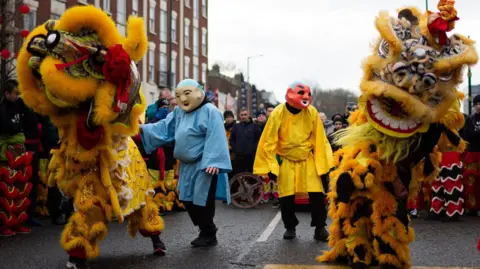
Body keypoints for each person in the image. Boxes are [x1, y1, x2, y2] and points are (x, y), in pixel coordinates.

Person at [17, 6, 166, 268]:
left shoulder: (112, 79)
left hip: (115, 156)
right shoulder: (60, 80)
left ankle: (155, 237)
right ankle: (78, 254)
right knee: (88, 202)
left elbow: (127, 109)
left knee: (140, 200)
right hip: (81, 158)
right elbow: (46, 100)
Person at [141, 79, 232, 247]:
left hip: (204, 165)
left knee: (202, 200)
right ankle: (206, 229)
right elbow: (165, 127)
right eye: (178, 95)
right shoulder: (179, 113)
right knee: (187, 199)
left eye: (187, 94)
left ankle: (208, 232)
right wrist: (143, 130)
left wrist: (213, 161)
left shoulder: (211, 111)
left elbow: (217, 136)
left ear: (198, 92)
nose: (182, 99)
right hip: (186, 166)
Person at [254, 81, 333, 241]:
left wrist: (324, 165)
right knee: (286, 197)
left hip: (306, 158)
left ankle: (320, 227)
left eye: (308, 94)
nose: (306, 97)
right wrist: (271, 166)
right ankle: (290, 227)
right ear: (290, 93)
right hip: (286, 160)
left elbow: (320, 139)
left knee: (317, 194)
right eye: (301, 93)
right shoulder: (278, 113)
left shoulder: (312, 112)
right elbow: (268, 141)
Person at [0, 80, 36, 236]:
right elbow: (8, 127)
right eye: (15, 93)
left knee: (21, 187)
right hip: (7, 150)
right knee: (8, 188)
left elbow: (32, 123)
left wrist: (26, 107)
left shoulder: (21, 105)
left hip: (20, 149)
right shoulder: (2, 109)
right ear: (7, 94)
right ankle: (4, 225)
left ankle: (18, 222)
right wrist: (18, 129)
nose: (18, 96)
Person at [230, 108, 261, 175]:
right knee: (238, 176)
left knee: (251, 176)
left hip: (251, 157)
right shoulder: (236, 127)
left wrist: (253, 150)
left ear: (248, 115)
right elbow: (232, 140)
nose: (243, 116)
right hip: (238, 157)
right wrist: (236, 149)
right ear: (239, 116)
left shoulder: (255, 126)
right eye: (242, 115)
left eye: (245, 114)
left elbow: (258, 140)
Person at [463, 94, 480, 216]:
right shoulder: (470, 119)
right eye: (476, 104)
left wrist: (475, 133)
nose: (478, 106)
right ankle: (472, 207)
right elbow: (466, 136)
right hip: (472, 153)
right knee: (471, 182)